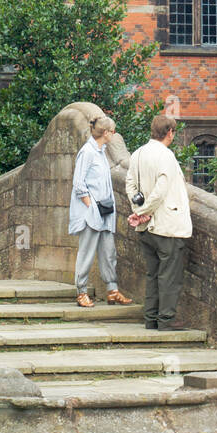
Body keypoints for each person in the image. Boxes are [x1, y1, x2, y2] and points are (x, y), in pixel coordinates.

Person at [125, 113, 192, 331]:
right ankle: (166, 321)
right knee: (169, 276)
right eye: (173, 131)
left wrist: (138, 211)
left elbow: (130, 185)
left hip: (146, 227)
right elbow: (161, 191)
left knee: (153, 274)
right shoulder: (166, 156)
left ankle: (151, 318)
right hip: (166, 225)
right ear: (169, 132)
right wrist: (145, 210)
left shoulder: (138, 153)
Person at [69, 115, 132, 308]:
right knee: (87, 253)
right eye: (113, 131)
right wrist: (91, 206)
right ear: (105, 133)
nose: (114, 134)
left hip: (105, 211)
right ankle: (81, 292)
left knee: (108, 251)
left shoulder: (101, 152)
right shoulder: (87, 152)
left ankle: (112, 290)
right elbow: (79, 184)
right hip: (92, 213)